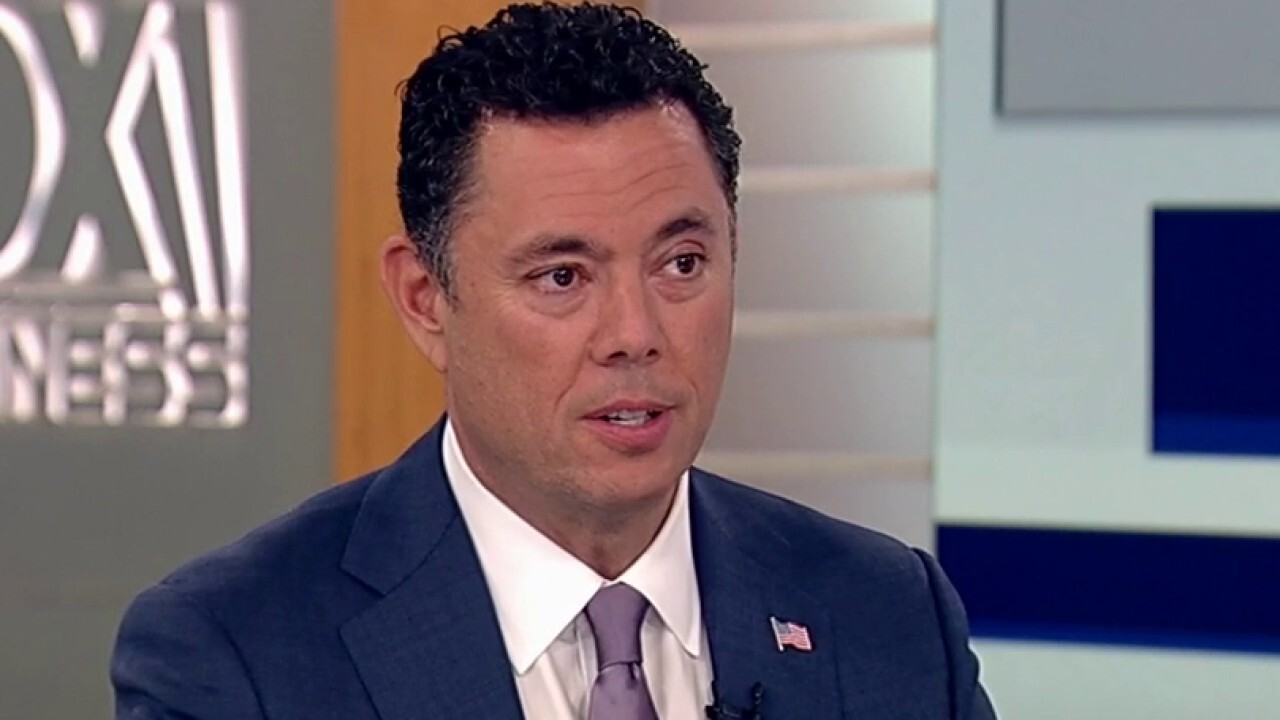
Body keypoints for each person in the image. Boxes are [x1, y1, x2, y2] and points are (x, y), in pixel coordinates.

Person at [110, 3, 996, 719]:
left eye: (681, 263)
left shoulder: (887, 615)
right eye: (563, 276)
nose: (634, 332)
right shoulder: (237, 655)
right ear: (425, 299)